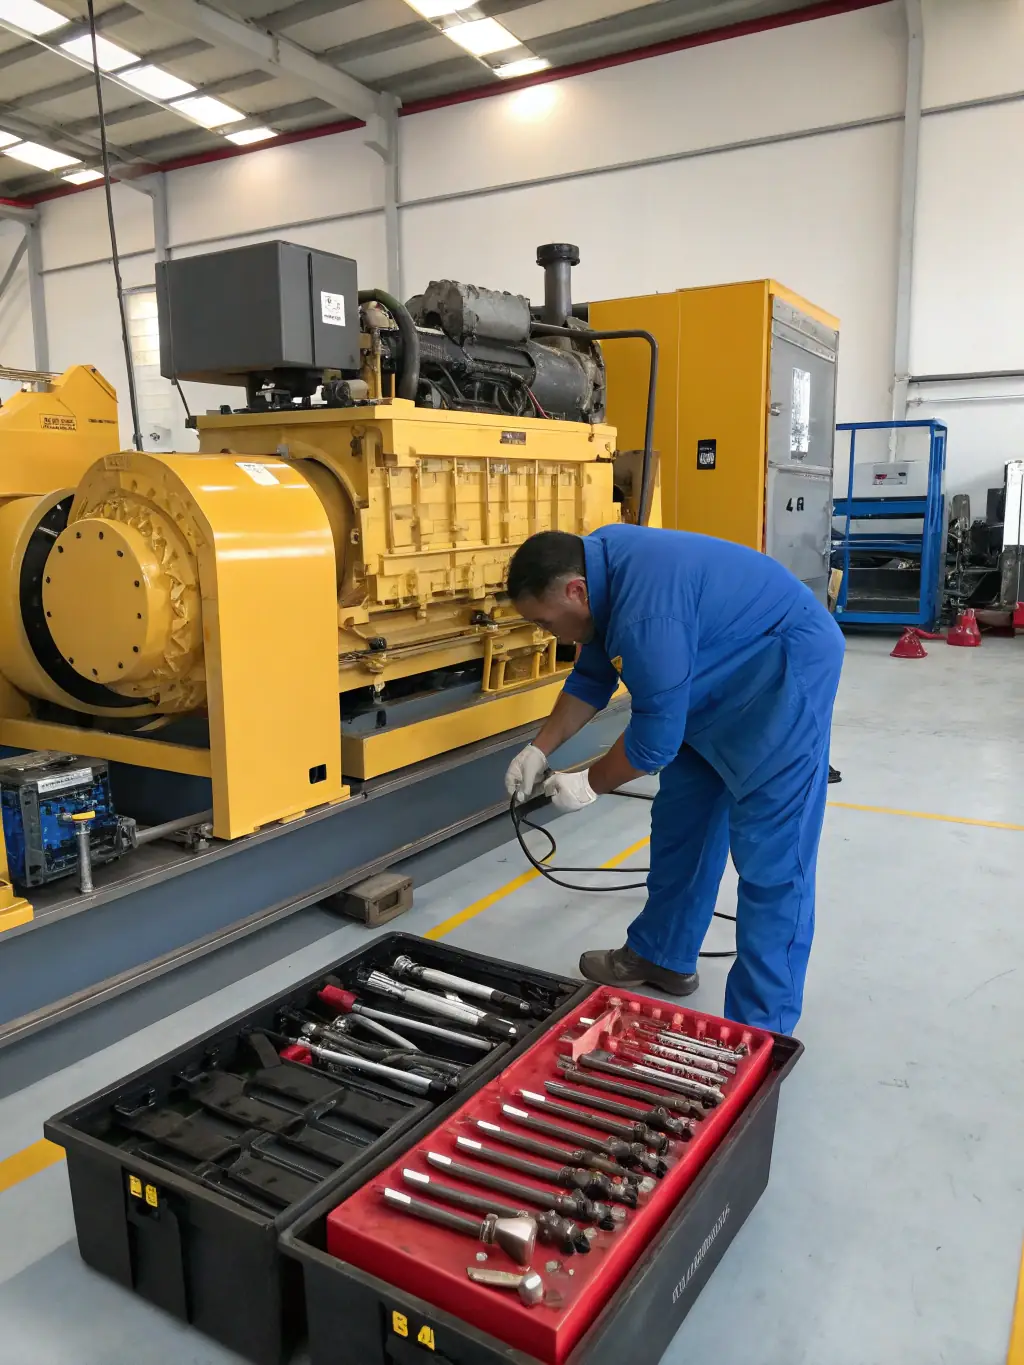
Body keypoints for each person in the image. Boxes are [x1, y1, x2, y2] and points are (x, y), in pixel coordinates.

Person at [503, 524, 845, 1034]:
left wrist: (590, 782)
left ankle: (762, 1029)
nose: (547, 633)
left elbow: (651, 746)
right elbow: (593, 676)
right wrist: (540, 747)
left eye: (546, 622)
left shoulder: (647, 611)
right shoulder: (601, 567)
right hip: (711, 677)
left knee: (771, 858)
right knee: (682, 822)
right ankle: (662, 954)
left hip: (782, 676)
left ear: (575, 590)